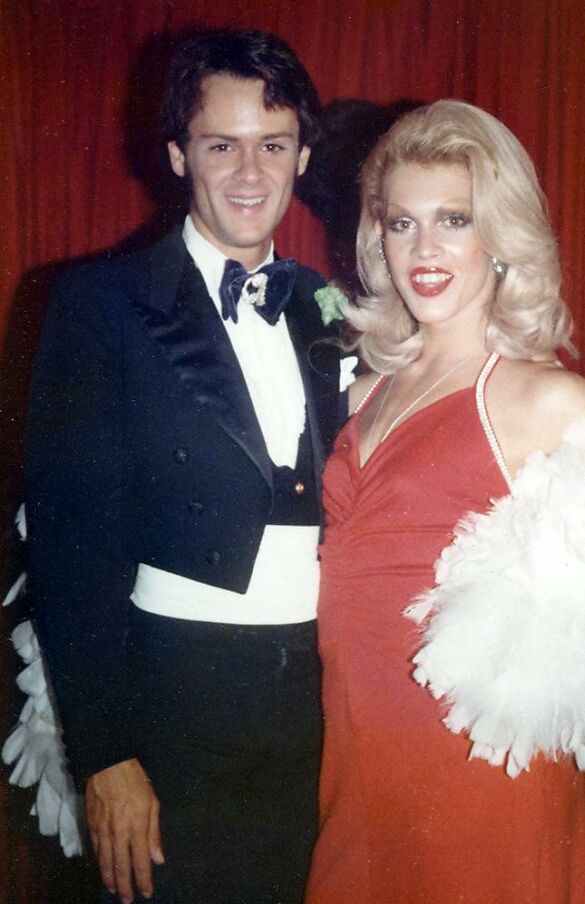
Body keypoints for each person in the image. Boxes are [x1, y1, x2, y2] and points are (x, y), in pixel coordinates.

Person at [305, 100, 585, 903]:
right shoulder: (360, 394)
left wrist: (530, 654)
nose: (425, 249)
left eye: (455, 219)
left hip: (472, 773)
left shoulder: (538, 399)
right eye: (401, 221)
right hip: (351, 760)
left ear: (501, 238)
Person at [24, 29, 340, 904]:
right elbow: (68, 548)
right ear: (177, 155)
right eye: (220, 145)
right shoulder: (99, 304)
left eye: (272, 145)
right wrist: (106, 753)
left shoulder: (330, 305)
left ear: (302, 156)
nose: (249, 172)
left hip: (319, 705)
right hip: (173, 704)